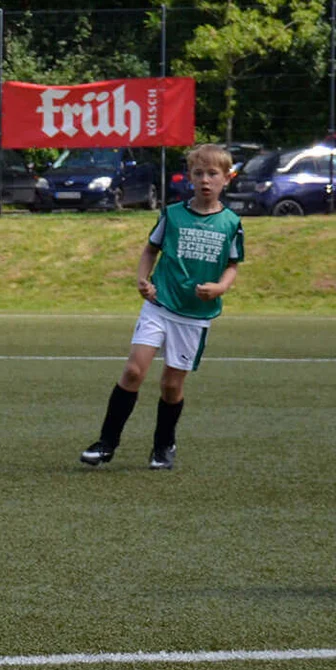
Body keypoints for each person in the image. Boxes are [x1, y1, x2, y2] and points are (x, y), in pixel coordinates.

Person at [80, 143, 242, 470]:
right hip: (160, 305)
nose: (205, 180)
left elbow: (232, 264)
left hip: (194, 315)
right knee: (133, 370)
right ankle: (106, 443)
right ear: (190, 178)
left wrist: (221, 287)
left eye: (213, 174)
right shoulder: (172, 214)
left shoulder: (231, 223)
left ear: (227, 178)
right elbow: (150, 251)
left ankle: (163, 445)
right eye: (199, 173)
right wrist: (143, 280)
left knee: (171, 385)